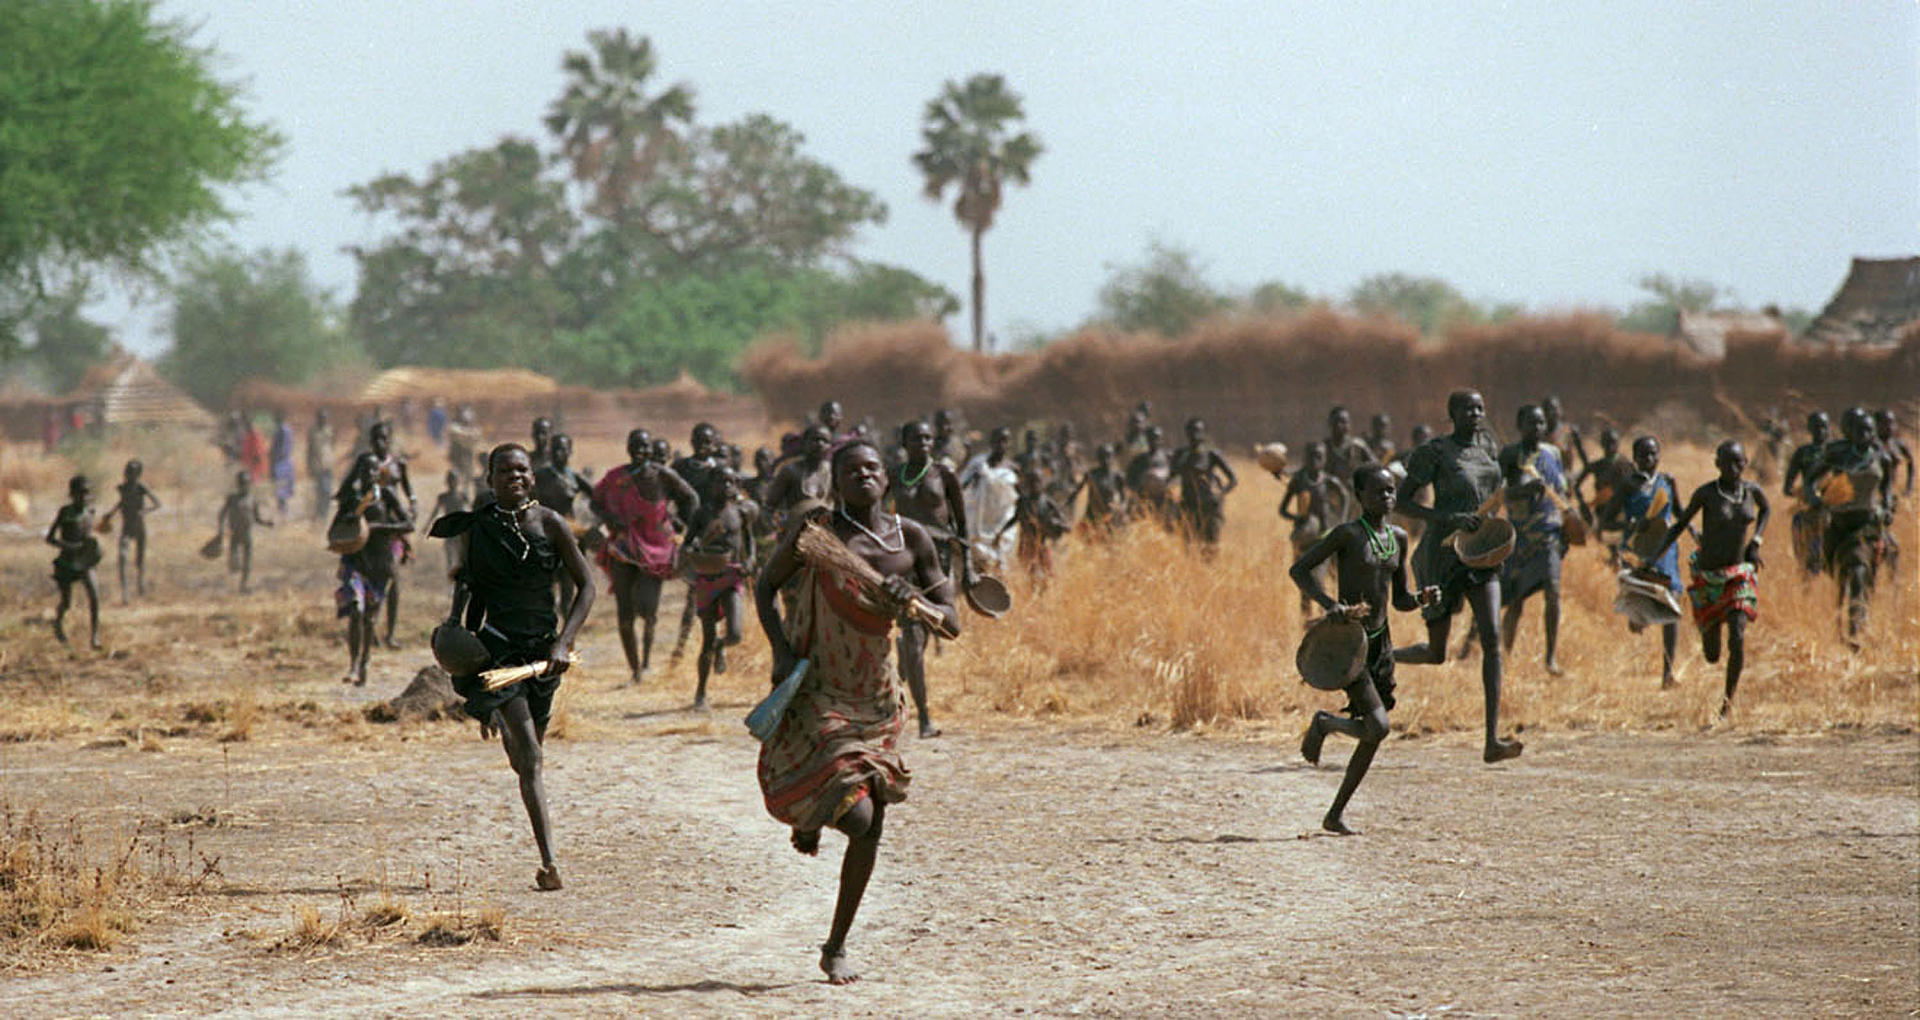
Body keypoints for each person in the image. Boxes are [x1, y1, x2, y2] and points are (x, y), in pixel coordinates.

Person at [753, 439, 959, 986]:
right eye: (851, 469)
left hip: (876, 696)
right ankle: (815, 813)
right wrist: (779, 649)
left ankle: (836, 944)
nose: (863, 475)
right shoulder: (817, 532)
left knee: (872, 824)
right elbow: (765, 586)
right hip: (820, 687)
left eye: (872, 467)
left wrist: (914, 601)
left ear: (886, 478)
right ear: (837, 481)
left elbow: (952, 619)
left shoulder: (910, 538)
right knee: (860, 814)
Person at [433, 443, 595, 893]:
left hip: (544, 655)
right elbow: (472, 591)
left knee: (526, 753)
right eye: (505, 471)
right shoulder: (480, 527)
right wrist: (458, 638)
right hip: (498, 650)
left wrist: (565, 642)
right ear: (490, 479)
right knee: (532, 759)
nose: (515, 477)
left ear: (532, 476)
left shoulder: (551, 523)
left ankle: (506, 724)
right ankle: (550, 863)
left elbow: (586, 588)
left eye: (521, 469)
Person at [1291, 465, 1439, 834]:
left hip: (1380, 644)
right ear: (1360, 497)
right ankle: (1325, 723)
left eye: (1391, 491)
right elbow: (1300, 570)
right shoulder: (1346, 535)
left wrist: (1422, 598)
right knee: (1378, 726)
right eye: (1378, 492)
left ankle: (1334, 814)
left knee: (1373, 733)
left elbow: (1400, 599)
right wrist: (1329, 604)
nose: (1387, 498)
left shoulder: (1399, 537)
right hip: (1351, 644)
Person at [1392, 390, 1523, 763]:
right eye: (1468, 408)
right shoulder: (1435, 453)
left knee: (1492, 639)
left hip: (1481, 554)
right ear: (1452, 414)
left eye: (1480, 408)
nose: (1476, 414)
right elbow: (1401, 502)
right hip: (1443, 555)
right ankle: (1380, 654)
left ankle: (1491, 740)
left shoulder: (1488, 452)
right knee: (1436, 653)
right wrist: (1444, 518)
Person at [1646, 440, 1769, 715]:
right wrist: (1654, 557)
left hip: (1738, 576)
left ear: (1745, 463)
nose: (1733, 469)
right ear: (1717, 465)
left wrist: (1756, 541)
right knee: (1712, 655)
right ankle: (1708, 631)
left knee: (1737, 636)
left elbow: (1766, 509)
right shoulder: (1707, 494)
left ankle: (1727, 704)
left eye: (1738, 463)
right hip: (1709, 578)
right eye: (1726, 463)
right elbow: (1679, 524)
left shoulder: (1752, 492)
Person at [592, 428, 698, 684]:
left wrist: (681, 526)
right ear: (628, 449)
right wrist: (609, 519)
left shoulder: (663, 475)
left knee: (648, 610)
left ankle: (648, 659)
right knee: (624, 614)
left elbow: (691, 498)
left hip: (656, 549)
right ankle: (636, 670)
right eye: (635, 446)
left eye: (645, 447)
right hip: (623, 547)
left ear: (652, 450)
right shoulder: (616, 476)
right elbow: (595, 501)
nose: (640, 451)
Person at [889, 420, 970, 738]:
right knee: (913, 636)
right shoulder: (894, 475)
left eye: (927, 438)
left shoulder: (944, 475)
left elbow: (962, 525)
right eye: (916, 438)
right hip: (904, 561)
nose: (923, 442)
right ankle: (924, 717)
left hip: (939, 562)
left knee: (941, 625)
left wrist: (972, 571)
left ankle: (907, 670)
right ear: (904, 442)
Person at [1805, 407, 1892, 646]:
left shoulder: (1881, 457)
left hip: (1866, 525)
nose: (1865, 435)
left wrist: (1886, 507)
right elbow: (1811, 479)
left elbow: (1887, 488)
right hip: (1839, 524)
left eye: (1869, 430)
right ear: (1850, 433)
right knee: (1838, 575)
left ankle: (1857, 628)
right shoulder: (1837, 455)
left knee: (1861, 570)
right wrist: (1814, 498)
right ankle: (1840, 624)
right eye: (1859, 430)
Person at [1605, 436, 1685, 687]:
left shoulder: (1668, 481)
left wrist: (1695, 533)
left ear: (1659, 455)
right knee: (1640, 606)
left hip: (1665, 552)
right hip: (1638, 550)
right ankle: (1638, 616)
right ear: (1634, 458)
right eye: (1642, 455)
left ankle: (1668, 673)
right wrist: (1631, 524)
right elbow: (1606, 520)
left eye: (1652, 454)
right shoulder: (1628, 485)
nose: (1648, 460)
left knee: (1671, 607)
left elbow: (1680, 514)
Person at [1497, 405, 1570, 676]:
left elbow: (1562, 492)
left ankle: (1550, 658)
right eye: (1531, 423)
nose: (1537, 428)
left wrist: (1567, 529)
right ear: (1520, 425)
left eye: (1541, 423)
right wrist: (1523, 490)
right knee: (1516, 600)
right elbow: (1498, 494)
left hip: (1549, 535)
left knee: (1553, 593)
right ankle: (1505, 656)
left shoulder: (1553, 454)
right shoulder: (1509, 455)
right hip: (1521, 537)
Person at [334, 454, 414, 685]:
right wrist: (349, 521)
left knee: (369, 619)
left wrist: (379, 528)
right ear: (359, 473)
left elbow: (408, 524)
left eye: (373, 470)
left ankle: (365, 662)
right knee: (356, 611)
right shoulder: (351, 499)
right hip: (356, 563)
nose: (369, 475)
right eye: (365, 471)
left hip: (381, 566)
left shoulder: (386, 496)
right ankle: (353, 665)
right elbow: (334, 532)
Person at [684, 470, 758, 708]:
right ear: (711, 485)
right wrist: (695, 547)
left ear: (736, 485)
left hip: (732, 576)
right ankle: (701, 694)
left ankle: (721, 645)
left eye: (730, 482)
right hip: (707, 577)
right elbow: (688, 543)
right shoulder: (701, 513)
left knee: (735, 634)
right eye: (720, 481)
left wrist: (750, 561)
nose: (725, 486)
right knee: (706, 638)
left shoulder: (740, 512)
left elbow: (749, 540)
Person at [1281, 443, 1346, 616]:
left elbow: (1344, 495)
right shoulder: (1299, 480)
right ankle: (1306, 621)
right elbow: (1282, 509)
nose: (1315, 461)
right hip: (1303, 539)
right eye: (1311, 456)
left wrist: (1340, 520)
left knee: (1318, 581)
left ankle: (1324, 618)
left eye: (1319, 457)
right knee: (1304, 582)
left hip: (1323, 539)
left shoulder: (1328, 480)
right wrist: (1298, 518)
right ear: (1305, 458)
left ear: (1324, 459)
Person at [534, 434, 596, 611]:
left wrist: (594, 523)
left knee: (568, 592)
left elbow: (599, 497)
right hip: (544, 536)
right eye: (555, 449)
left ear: (570, 451)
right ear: (550, 451)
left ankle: (568, 635)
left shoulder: (574, 478)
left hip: (570, 536)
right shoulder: (541, 476)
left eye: (563, 449)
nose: (559, 453)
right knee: (545, 589)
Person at [46, 476, 103, 649]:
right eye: (80, 493)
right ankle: (58, 623)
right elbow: (50, 538)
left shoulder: (90, 512)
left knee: (95, 597)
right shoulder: (65, 513)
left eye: (87, 493)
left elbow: (92, 536)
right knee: (66, 602)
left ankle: (95, 637)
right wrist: (68, 546)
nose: (84, 497)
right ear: (72, 494)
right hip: (66, 562)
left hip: (84, 562)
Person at [1172, 417, 1237, 548]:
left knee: (1210, 546)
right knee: (1189, 545)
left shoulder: (1211, 453)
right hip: (1189, 505)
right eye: (1192, 431)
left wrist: (1220, 494)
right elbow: (1171, 474)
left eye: (1198, 431)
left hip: (1209, 506)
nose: (1195, 435)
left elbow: (1233, 479)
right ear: (1187, 433)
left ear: (1203, 432)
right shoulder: (1181, 454)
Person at [996, 465, 1069, 580]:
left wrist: (1056, 524)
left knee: (1046, 575)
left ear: (1043, 483)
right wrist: (1000, 532)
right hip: (1026, 545)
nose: (1035, 485)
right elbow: (1015, 518)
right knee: (1031, 575)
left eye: (1038, 481)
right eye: (1032, 482)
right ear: (1028, 485)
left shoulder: (1047, 502)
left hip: (1042, 546)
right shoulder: (1023, 502)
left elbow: (1066, 524)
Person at [961, 426, 1020, 569]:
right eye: (998, 441)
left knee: (1000, 566)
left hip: (1003, 524)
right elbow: (962, 487)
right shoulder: (978, 465)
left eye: (1005, 441)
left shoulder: (1013, 468)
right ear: (991, 443)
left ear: (1009, 443)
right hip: (979, 523)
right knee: (979, 563)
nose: (1001, 445)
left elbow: (1019, 498)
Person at [1780, 412, 1831, 575]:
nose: (1820, 431)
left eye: (1824, 426)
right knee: (1806, 560)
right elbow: (1787, 487)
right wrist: (1803, 493)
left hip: (1832, 509)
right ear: (1809, 429)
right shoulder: (1803, 453)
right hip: (1808, 509)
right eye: (1816, 427)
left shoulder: (1836, 451)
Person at [103, 460, 160, 603]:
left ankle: (141, 586)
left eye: (133, 472)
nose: (130, 475)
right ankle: (125, 593)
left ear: (138, 474)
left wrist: (144, 512)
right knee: (122, 557)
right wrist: (111, 514)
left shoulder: (141, 487)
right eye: (128, 472)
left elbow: (157, 504)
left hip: (139, 526)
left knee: (139, 561)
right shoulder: (123, 488)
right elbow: (122, 502)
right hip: (127, 527)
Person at [217, 470, 274, 593]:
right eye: (243, 484)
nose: (245, 487)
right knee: (234, 562)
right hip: (235, 533)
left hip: (247, 534)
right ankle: (233, 583)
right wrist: (220, 530)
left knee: (247, 563)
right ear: (238, 485)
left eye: (247, 484)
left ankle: (243, 586)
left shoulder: (252, 500)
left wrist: (266, 523)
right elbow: (222, 514)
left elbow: (257, 518)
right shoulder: (232, 499)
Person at [1318, 406, 1377, 506]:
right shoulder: (1324, 447)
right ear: (1330, 424)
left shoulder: (1358, 446)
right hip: (1331, 497)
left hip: (1355, 497)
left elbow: (1375, 466)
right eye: (1337, 422)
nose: (1341, 426)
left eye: (1345, 422)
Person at [1068, 443, 1129, 537]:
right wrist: (1068, 503)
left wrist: (1122, 509)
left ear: (1112, 458)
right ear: (1098, 459)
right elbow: (1077, 491)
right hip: (1092, 515)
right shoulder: (1092, 475)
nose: (1105, 460)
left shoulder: (1117, 477)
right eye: (1102, 457)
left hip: (1109, 514)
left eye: (1108, 457)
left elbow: (1123, 497)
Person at [1123, 424, 1175, 529]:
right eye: (1151, 439)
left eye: (1156, 439)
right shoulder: (1139, 460)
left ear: (1161, 440)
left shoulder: (1168, 457)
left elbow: (1176, 476)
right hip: (1144, 499)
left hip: (1163, 499)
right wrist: (1138, 490)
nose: (1154, 442)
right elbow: (1129, 479)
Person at [429, 469, 469, 579]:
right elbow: (435, 511)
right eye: (450, 480)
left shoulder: (463, 496)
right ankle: (450, 580)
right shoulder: (443, 497)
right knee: (450, 557)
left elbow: (468, 511)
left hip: (461, 530)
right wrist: (428, 525)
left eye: (454, 480)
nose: (452, 483)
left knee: (462, 556)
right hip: (450, 530)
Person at [307, 408, 336, 523]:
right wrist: (309, 465)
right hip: (317, 465)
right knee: (320, 491)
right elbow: (310, 449)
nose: (323, 420)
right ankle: (319, 514)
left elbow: (332, 445)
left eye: (325, 418)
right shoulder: (313, 431)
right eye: (321, 418)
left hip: (328, 464)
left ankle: (324, 514)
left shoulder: (329, 430)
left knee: (328, 491)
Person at [267, 410, 297, 516]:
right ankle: (282, 512)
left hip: (282, 463)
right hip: (280, 463)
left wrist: (273, 456)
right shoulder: (279, 430)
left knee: (282, 490)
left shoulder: (284, 431)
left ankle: (283, 513)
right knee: (279, 490)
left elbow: (283, 449)